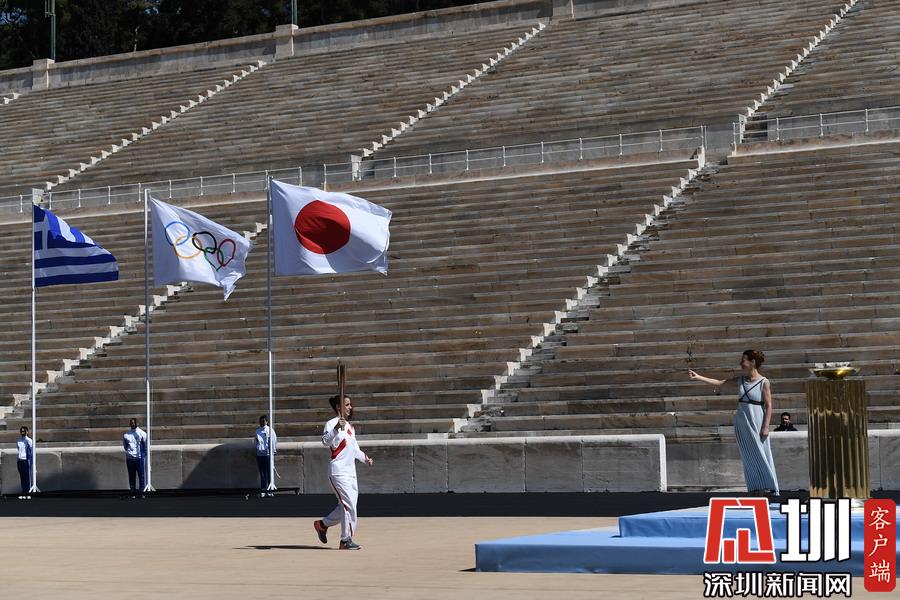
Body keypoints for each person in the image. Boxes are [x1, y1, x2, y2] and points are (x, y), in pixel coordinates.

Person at [688, 349, 779, 495]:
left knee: (761, 453)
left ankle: (768, 486)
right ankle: (755, 487)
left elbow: (768, 406)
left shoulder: (764, 382)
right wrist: (698, 377)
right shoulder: (740, 380)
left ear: (752, 362)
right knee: (748, 456)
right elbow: (719, 383)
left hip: (757, 420)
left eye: (743, 360)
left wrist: (766, 426)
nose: (741, 363)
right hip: (742, 421)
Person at [314, 395, 374, 550]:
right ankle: (345, 540)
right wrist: (335, 429)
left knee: (346, 506)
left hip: (351, 473)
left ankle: (322, 524)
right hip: (338, 472)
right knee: (349, 506)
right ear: (338, 407)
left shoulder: (350, 427)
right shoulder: (331, 423)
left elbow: (354, 449)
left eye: (350, 405)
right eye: (347, 405)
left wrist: (365, 458)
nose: (350, 408)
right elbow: (325, 441)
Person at [123, 418, 147, 497]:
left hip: (139, 458)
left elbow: (145, 446)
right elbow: (125, 446)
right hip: (130, 458)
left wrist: (143, 455)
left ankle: (141, 492)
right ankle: (132, 492)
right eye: (131, 423)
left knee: (141, 475)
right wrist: (129, 453)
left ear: (138, 423)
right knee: (131, 476)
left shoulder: (142, 433)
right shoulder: (126, 435)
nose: (133, 424)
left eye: (134, 422)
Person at [254, 415, 277, 497]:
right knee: (262, 473)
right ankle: (263, 489)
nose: (261, 423)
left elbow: (274, 441)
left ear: (266, 422)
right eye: (260, 421)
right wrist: (257, 449)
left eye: (263, 421)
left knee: (269, 472)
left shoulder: (270, 430)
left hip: (268, 454)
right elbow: (256, 441)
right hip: (260, 454)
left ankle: (270, 490)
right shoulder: (257, 431)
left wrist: (273, 451)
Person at [16, 426, 33, 499]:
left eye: (24, 431)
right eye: (21, 431)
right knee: (22, 478)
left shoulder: (29, 440)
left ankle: (28, 493)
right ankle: (23, 492)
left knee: (27, 478)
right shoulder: (18, 441)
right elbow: (19, 450)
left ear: (27, 432)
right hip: (20, 460)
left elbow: (31, 451)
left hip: (26, 461)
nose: (23, 432)